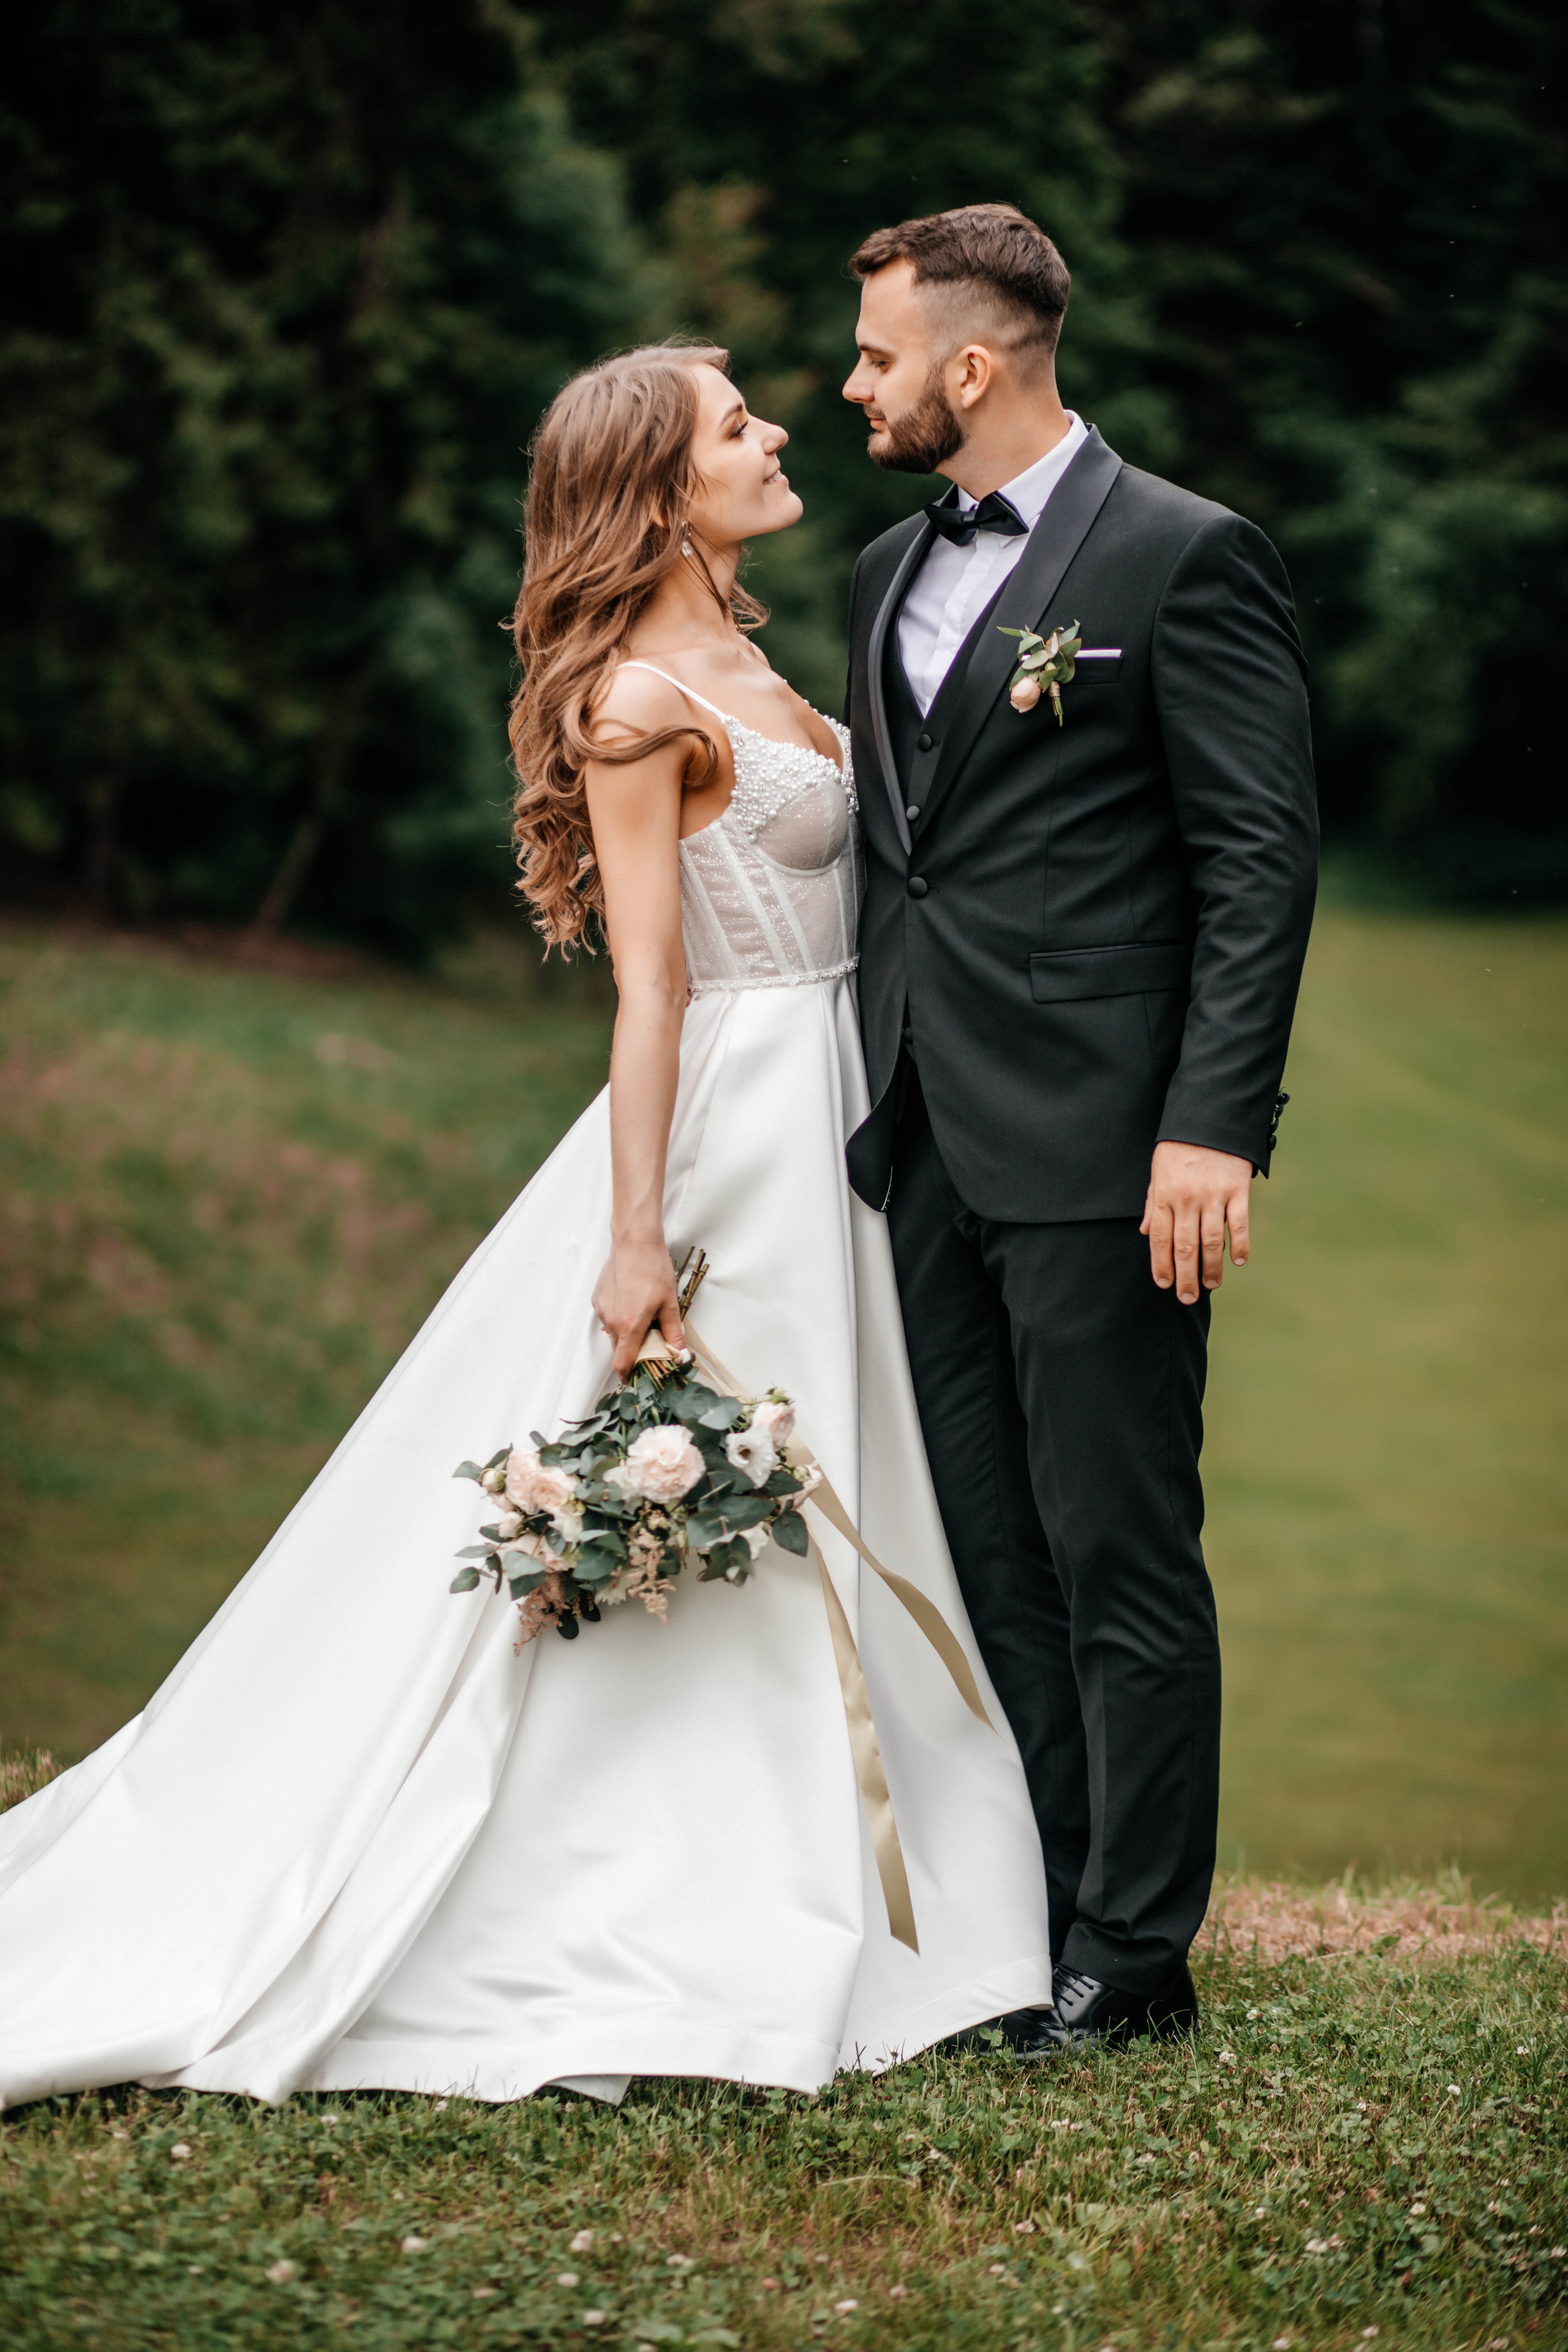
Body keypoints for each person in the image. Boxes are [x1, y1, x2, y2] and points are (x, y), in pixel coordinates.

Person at [0, 343, 1053, 2113]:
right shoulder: (637, 700)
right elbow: (653, 988)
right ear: (658, 488)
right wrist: (639, 1237)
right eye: (737, 425)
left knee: (866, 1475)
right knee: (765, 1483)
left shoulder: (757, 656)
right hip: (746, 1127)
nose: (780, 428)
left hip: (850, 1108)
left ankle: (912, 1880)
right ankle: (705, 1886)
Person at [840, 205, 1318, 2052]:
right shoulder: (888, 563)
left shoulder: (1188, 557)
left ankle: (1138, 1960)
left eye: (880, 355)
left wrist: (1214, 1128)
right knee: (991, 1551)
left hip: (1115, 1150)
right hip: (923, 1131)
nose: (856, 384)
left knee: (1118, 1541)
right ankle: (1045, 1909)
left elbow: (1259, 861)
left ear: (974, 365)